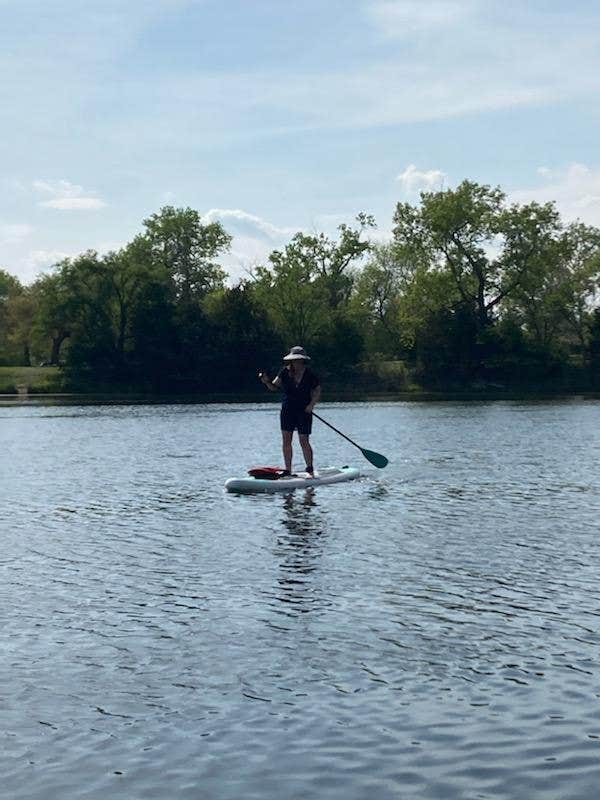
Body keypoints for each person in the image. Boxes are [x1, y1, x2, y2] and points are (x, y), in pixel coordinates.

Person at [259, 345, 321, 476]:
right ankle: (288, 470)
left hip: (304, 410)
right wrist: (266, 382)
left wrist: (311, 405)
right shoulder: (284, 372)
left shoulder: (310, 375)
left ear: (303, 360)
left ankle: (309, 468)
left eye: (298, 360)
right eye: (294, 360)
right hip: (288, 409)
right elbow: (274, 387)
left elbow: (317, 391)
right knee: (286, 439)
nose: (296, 363)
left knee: (303, 440)